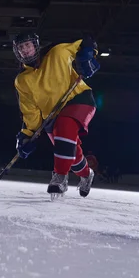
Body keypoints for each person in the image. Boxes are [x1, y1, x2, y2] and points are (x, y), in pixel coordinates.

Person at [13, 31, 100, 199]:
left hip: (78, 99)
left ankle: (60, 177)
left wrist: (88, 56)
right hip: (52, 116)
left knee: (65, 127)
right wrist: (27, 135)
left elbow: (86, 42)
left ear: (35, 45)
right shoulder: (21, 81)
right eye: (21, 48)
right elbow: (30, 110)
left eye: (27, 46)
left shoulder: (57, 52)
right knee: (71, 153)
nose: (25, 50)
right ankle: (86, 174)